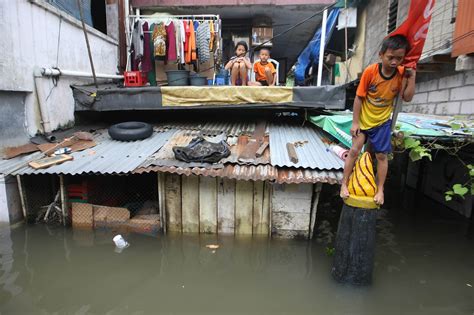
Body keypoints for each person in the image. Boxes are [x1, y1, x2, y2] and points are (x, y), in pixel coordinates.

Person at [340, 34, 416, 206]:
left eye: (399, 58)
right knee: (354, 151)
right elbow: (359, 98)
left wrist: (412, 77)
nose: (394, 62)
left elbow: (407, 97)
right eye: (390, 58)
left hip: (382, 122)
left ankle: (380, 189)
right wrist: (355, 122)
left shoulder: (402, 74)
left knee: (382, 155)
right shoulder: (371, 72)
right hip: (364, 119)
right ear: (381, 55)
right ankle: (344, 183)